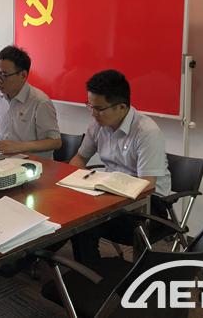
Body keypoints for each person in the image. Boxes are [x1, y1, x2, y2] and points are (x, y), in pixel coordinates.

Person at [69, 69, 171, 268]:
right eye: (90, 106)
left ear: (122, 107)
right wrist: (69, 182)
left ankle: (93, 276)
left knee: (83, 224)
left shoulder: (146, 132)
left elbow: (147, 185)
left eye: (99, 108)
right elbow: (80, 158)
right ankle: (88, 273)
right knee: (72, 215)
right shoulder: (97, 125)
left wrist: (106, 194)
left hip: (148, 204)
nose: (93, 113)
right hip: (110, 194)